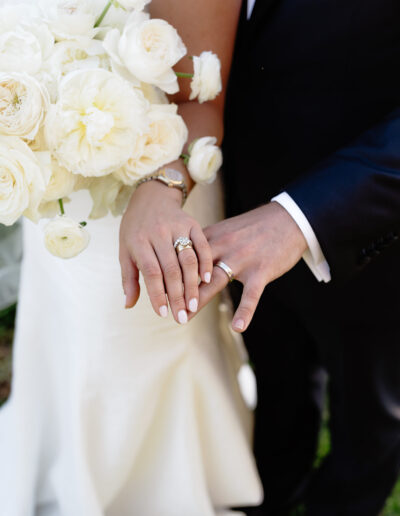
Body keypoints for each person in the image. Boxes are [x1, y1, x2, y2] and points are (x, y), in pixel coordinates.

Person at [122, 0, 400, 514]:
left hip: (375, 226)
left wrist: (299, 217)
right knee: (278, 377)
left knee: (371, 411)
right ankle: (269, 490)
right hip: (228, 197)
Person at [0, 1, 263, 515]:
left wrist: (159, 188)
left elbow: (202, 101)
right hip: (52, 200)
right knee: (66, 349)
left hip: (151, 196)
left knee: (124, 364)